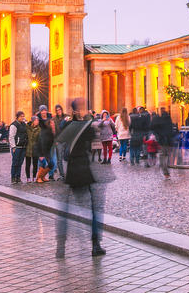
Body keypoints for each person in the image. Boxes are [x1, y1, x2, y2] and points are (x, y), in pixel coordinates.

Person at [57, 100, 106, 258]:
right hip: (84, 168)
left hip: (72, 169)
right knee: (94, 209)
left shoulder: (69, 125)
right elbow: (93, 137)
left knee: (66, 209)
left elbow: (61, 137)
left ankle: (61, 246)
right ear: (79, 110)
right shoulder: (86, 125)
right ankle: (95, 244)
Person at [151, 107, 175, 178]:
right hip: (168, 140)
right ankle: (166, 170)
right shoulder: (168, 119)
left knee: (162, 155)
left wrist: (157, 136)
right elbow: (171, 130)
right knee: (167, 155)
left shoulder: (158, 119)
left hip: (162, 140)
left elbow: (153, 128)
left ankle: (165, 171)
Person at [8, 111, 29, 184]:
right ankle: (13, 177)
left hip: (23, 146)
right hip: (17, 147)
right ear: (17, 117)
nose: (22, 117)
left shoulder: (24, 124)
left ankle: (18, 177)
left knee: (20, 163)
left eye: (23, 116)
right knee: (15, 163)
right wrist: (13, 146)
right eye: (21, 116)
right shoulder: (14, 125)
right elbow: (11, 136)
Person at [35, 114, 55, 182]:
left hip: (47, 150)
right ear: (49, 124)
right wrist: (41, 155)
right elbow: (41, 144)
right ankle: (38, 178)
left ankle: (43, 176)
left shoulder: (51, 132)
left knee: (51, 164)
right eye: (52, 123)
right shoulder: (45, 132)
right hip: (41, 150)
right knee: (43, 163)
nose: (53, 124)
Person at [25, 115, 41, 181]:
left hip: (35, 148)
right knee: (27, 164)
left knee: (35, 164)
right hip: (28, 147)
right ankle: (28, 177)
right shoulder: (27, 127)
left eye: (38, 120)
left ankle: (34, 176)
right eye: (36, 120)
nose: (37, 122)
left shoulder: (39, 129)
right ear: (33, 121)